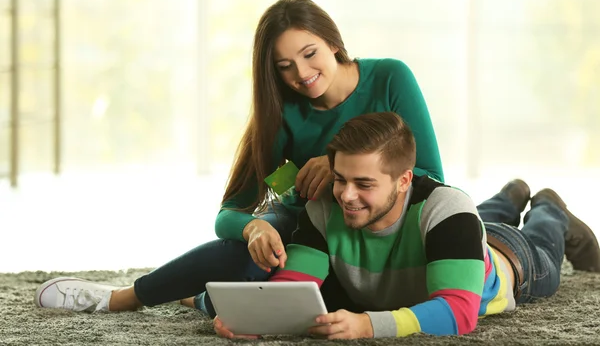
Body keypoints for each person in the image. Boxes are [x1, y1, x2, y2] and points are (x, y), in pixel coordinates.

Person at [33, 0, 443, 314]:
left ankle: (202, 300)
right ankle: (121, 298)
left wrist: (338, 165)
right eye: (284, 66)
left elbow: (432, 179)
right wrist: (253, 229)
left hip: (378, 224)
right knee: (250, 260)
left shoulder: (390, 77)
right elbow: (229, 212)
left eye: (309, 53)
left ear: (333, 42)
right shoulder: (281, 112)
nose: (300, 74)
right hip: (307, 225)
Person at [213, 112, 600, 340]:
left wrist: (367, 326)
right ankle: (510, 194)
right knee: (483, 216)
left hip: (513, 262)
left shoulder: (449, 210)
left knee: (542, 233)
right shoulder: (324, 208)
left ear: (404, 180)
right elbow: (295, 286)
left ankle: (548, 204)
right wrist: (252, 316)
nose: (346, 195)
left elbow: (458, 314)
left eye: (364, 184)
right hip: (464, 237)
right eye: (341, 178)